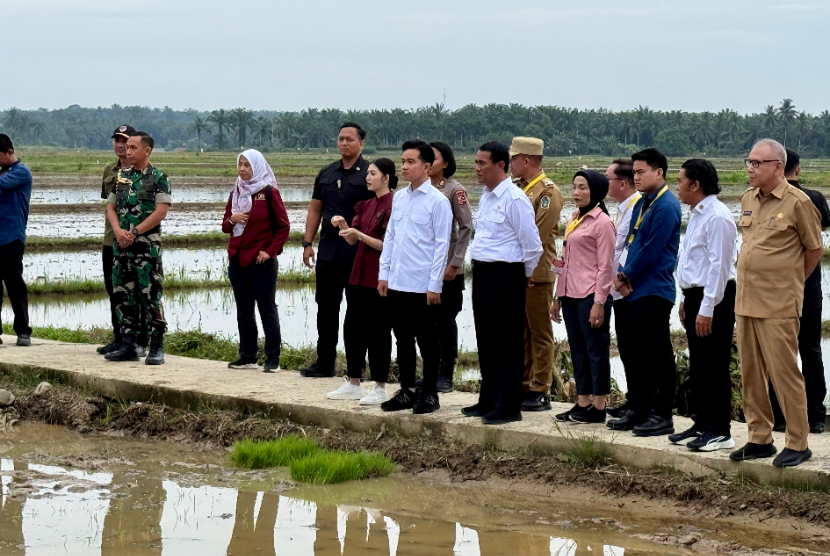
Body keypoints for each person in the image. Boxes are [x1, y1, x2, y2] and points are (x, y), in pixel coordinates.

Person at [730, 139, 822, 468]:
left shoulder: (798, 203)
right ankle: (760, 438)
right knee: (752, 373)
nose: (750, 168)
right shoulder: (747, 199)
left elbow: (814, 249)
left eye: (757, 163)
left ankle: (798, 441)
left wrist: (791, 280)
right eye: (749, 162)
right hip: (746, 301)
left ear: (778, 167)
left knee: (785, 374)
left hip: (779, 303)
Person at [463, 142, 543, 425]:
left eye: (482, 163)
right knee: (486, 338)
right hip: (484, 272)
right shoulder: (486, 197)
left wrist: (525, 273)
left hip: (507, 274)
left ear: (500, 165)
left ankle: (509, 404)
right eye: (476, 163)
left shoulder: (514, 198)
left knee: (507, 340)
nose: (477, 169)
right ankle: (489, 399)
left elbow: (532, 245)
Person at [609, 148, 681, 437]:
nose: (636, 177)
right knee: (636, 353)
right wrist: (624, 276)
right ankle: (639, 407)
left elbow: (651, 251)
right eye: (634, 172)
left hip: (653, 289)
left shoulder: (666, 206)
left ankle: (662, 414)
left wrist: (625, 274)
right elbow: (632, 242)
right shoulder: (644, 203)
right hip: (635, 288)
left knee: (657, 354)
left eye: (641, 172)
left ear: (659, 173)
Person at [377, 140, 451, 414]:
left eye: (411, 162)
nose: (405, 167)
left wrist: (435, 285)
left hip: (422, 285)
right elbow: (392, 238)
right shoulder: (400, 198)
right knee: (402, 338)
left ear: (427, 167)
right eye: (403, 161)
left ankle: (430, 392)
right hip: (398, 281)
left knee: (427, 339)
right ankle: (407, 389)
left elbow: (441, 246)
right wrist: (384, 274)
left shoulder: (438, 202)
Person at [672, 159, 738, 452]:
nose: (677, 187)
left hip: (716, 297)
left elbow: (719, 268)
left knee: (714, 363)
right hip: (697, 295)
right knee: (700, 364)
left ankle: (719, 431)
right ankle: (702, 423)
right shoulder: (698, 214)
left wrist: (707, 308)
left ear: (695, 184)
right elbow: (692, 261)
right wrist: (688, 299)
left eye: (680, 181)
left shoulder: (718, 216)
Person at [301, 123, 372, 378]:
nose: (344, 143)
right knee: (326, 309)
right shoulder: (326, 173)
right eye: (341, 139)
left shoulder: (369, 174)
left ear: (361, 143)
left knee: (358, 313)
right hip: (329, 252)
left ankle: (358, 367)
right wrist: (308, 243)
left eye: (350, 139)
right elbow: (315, 210)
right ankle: (325, 362)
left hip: (358, 255)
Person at [325, 158, 398, 405]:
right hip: (357, 275)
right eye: (368, 173)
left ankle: (380, 386)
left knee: (378, 331)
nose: (368, 177)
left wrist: (360, 235)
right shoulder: (366, 205)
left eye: (373, 173)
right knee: (353, 328)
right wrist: (344, 226)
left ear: (386, 177)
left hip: (379, 276)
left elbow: (387, 245)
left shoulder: (394, 205)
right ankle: (354, 382)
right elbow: (353, 241)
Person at [769, 149, 828, 434]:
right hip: (810, 287)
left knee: (779, 351)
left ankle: (781, 416)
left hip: (780, 288)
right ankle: (815, 416)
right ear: (798, 169)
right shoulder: (815, 198)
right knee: (810, 348)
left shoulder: (777, 199)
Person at [550, 170, 615, 424]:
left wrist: (599, 303)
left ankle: (599, 407)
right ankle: (582, 402)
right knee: (578, 349)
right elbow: (564, 262)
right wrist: (557, 297)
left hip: (591, 295)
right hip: (570, 295)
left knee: (596, 350)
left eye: (583, 187)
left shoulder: (603, 223)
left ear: (596, 191)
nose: (576, 193)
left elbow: (606, 266)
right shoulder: (575, 219)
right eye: (574, 187)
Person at [104, 132, 171, 365]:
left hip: (146, 249)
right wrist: (119, 232)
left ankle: (156, 346)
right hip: (122, 248)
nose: (128, 151)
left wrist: (134, 232)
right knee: (123, 295)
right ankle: (129, 344)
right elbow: (111, 208)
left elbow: (160, 212)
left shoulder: (159, 177)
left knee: (150, 296)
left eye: (133, 147)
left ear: (147, 151)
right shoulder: (121, 177)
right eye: (127, 147)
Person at [222, 150, 290, 373]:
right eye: (240, 164)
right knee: (243, 309)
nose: (242, 169)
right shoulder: (236, 193)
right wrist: (232, 219)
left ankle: (273, 358)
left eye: (247, 165)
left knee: (266, 308)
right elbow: (225, 227)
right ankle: (248, 355)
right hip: (238, 258)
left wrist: (270, 252)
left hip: (261, 260)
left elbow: (283, 227)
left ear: (257, 167)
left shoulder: (268, 192)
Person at [508, 137, 563, 412]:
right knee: (523, 333)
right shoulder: (518, 189)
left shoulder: (547, 192)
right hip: (519, 271)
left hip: (538, 272)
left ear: (526, 160)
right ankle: (524, 384)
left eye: (513, 159)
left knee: (540, 332)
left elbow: (536, 236)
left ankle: (541, 388)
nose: (510, 164)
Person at [97, 124, 149, 356]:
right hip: (112, 238)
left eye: (125, 141)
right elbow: (109, 204)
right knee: (114, 289)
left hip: (137, 239)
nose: (120, 145)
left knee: (138, 291)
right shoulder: (110, 170)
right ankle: (120, 338)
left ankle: (140, 340)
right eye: (116, 140)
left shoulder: (145, 173)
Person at [427, 141, 473, 392]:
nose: (429, 162)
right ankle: (430, 373)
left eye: (433, 158)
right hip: (424, 268)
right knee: (426, 323)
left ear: (445, 163)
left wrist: (455, 263)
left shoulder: (455, 191)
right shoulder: (418, 190)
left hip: (447, 269)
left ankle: (446, 375)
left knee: (445, 321)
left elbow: (466, 228)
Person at [603, 159, 639, 418]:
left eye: (608, 179)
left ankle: (642, 404)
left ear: (622, 183)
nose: (605, 184)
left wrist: (623, 278)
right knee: (627, 348)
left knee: (637, 349)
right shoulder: (623, 209)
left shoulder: (638, 207)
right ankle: (633, 399)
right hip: (618, 289)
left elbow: (633, 250)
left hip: (629, 289)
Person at [0, 134, 32, 347]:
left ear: (9, 152)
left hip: (12, 237)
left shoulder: (21, 172)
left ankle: (23, 331)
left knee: (15, 285)